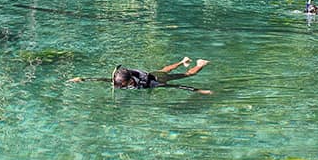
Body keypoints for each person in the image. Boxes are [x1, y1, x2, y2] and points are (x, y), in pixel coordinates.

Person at [68, 57, 212, 94]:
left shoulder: (150, 84)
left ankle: (200, 64)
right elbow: (103, 79)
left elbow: (177, 86)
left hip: (158, 78)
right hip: (154, 74)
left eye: (121, 85)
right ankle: (182, 60)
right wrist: (82, 79)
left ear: (129, 81)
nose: (117, 86)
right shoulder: (119, 80)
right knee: (163, 69)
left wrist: (198, 90)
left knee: (186, 75)